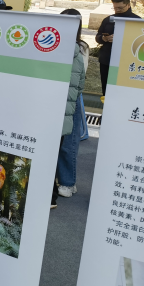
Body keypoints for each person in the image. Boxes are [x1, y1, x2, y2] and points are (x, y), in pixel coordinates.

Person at [52, 14, 86, 209]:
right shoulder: (58, 45)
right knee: (60, 143)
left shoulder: (79, 49)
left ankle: (67, 182)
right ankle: (64, 181)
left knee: (68, 144)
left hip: (70, 100)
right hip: (60, 100)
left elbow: (79, 82)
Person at [95, 0, 141, 95]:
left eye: (120, 8)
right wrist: (104, 38)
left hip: (126, 61)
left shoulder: (137, 21)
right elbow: (97, 37)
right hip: (107, 59)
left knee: (123, 90)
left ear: (128, 5)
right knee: (106, 89)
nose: (117, 10)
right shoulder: (108, 20)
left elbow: (140, 42)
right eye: (115, 8)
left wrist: (122, 38)